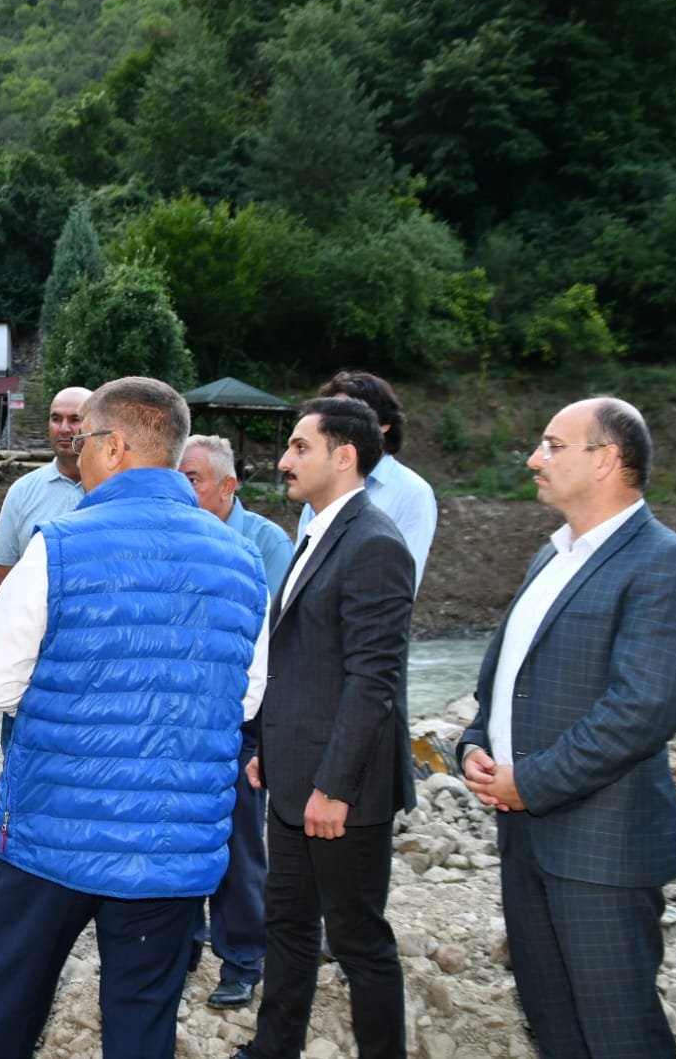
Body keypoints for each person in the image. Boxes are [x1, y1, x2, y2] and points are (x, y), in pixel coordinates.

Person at [0, 377, 268, 1057]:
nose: (76, 453)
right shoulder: (243, 560)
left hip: (54, 833)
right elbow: (245, 699)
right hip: (172, 845)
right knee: (141, 1022)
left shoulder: (57, 544)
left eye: (83, 441)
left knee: (10, 1006)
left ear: (114, 446)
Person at [457, 397, 676, 1059]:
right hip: (524, 839)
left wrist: (529, 782)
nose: (533, 459)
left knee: (619, 1034)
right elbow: (507, 681)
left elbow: (642, 710)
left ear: (606, 459)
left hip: (603, 851)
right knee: (554, 1028)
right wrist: (476, 742)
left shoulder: (667, 562)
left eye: (551, 445)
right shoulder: (549, 558)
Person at [239, 397, 416, 1059]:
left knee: (357, 940)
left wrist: (335, 787)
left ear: (344, 457)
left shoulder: (374, 544)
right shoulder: (317, 532)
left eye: (299, 447)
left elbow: (373, 681)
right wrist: (271, 747)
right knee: (286, 925)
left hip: (342, 795)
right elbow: (301, 661)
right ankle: (273, 1049)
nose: (284, 461)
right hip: (294, 778)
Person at [178, 435, 295, 1010]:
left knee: (240, 844)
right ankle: (183, 946)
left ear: (228, 487)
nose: (183, 489)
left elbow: (277, 640)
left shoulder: (267, 544)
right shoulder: (175, 535)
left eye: (193, 479)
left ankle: (243, 958)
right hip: (180, 715)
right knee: (180, 837)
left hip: (243, 718)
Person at [0, 385, 92, 751]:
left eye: (75, 419)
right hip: (33, 657)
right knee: (22, 756)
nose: (64, 428)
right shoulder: (23, 492)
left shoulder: (116, 493)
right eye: (56, 418)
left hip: (94, 656)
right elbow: (2, 574)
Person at [297, 370, 436, 593]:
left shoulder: (412, 491)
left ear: (384, 424)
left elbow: (402, 583)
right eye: (331, 418)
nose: (337, 426)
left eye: (350, 416)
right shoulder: (322, 484)